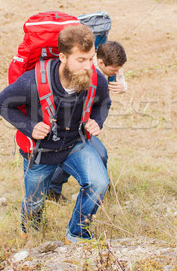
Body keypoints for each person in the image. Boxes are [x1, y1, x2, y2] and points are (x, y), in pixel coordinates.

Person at [0, 25, 112, 243]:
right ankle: (31, 233)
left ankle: (77, 234)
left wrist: (98, 121)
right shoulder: (32, 81)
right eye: (81, 60)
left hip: (74, 145)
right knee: (35, 203)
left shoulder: (95, 77)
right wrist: (30, 127)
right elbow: (1, 103)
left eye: (91, 59)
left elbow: (103, 102)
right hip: (41, 152)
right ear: (63, 58)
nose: (88, 67)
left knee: (98, 183)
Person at [48, 40, 128, 203]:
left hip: (86, 124)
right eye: (114, 70)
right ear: (100, 63)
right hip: (72, 124)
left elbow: (111, 92)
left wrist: (123, 86)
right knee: (97, 154)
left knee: (88, 154)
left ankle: (94, 189)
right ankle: (95, 190)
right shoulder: (84, 73)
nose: (117, 72)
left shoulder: (108, 65)